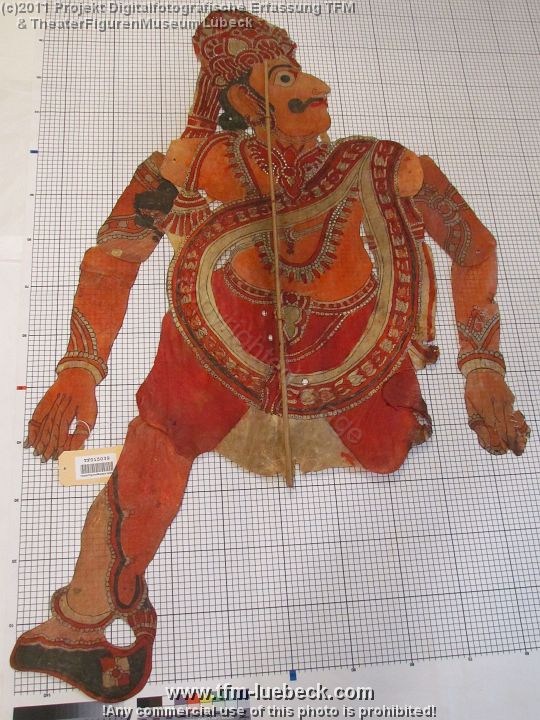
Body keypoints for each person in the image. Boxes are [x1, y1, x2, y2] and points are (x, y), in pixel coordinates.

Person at [11, 10, 529, 703]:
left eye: (303, 73)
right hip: (217, 347)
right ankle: (79, 622)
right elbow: (114, 257)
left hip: (352, 352)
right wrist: (79, 369)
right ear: (245, 101)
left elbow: (474, 246)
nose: (317, 87)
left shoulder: (379, 164)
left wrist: (482, 367)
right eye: (286, 78)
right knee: (156, 445)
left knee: (388, 450)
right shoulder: (194, 165)